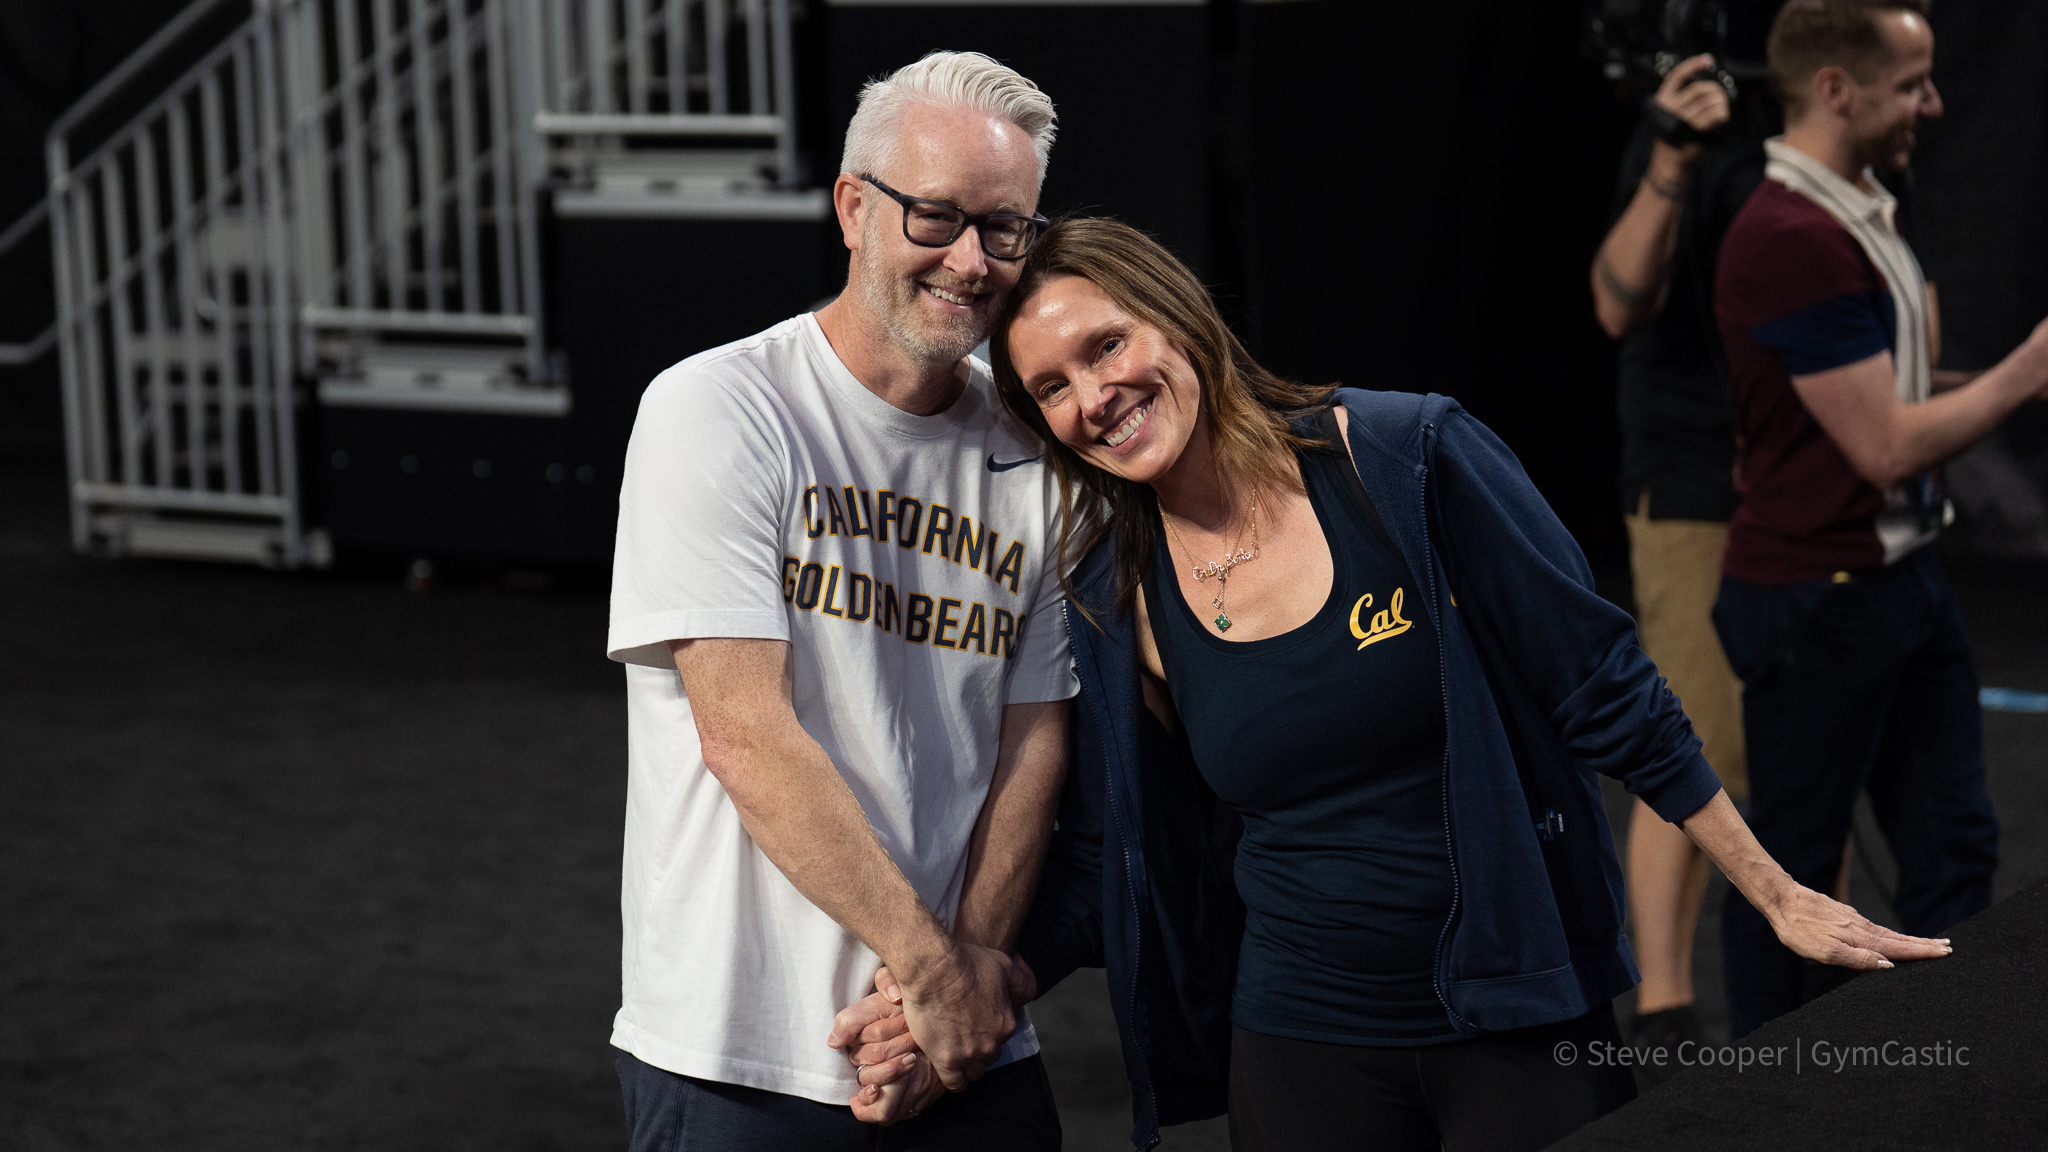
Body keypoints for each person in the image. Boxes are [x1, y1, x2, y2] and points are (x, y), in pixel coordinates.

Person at [841, 217, 1951, 1150]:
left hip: (1516, 1013)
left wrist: (1777, 894)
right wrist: (964, 983)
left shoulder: (1403, 457)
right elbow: (1105, 852)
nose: (1096, 395)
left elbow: (1604, 686)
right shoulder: (1114, 595)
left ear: (1177, 318)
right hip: (1299, 1042)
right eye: (1052, 388)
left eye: (1107, 344)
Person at [603, 51, 1078, 1149]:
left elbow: (1034, 739)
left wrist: (955, 992)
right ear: (854, 208)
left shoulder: (1034, 450)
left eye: (1005, 228)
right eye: (936, 217)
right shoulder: (719, 408)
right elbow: (745, 734)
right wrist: (934, 978)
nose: (972, 261)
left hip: (963, 1043)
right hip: (740, 1048)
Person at [1711, 0, 2048, 1040]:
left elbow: (1882, 395)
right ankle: (1762, 1084)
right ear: (1834, 89)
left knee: (1954, 848)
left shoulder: (1861, 206)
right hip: (1815, 599)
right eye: (1910, 84)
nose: (1932, 105)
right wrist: (2027, 368)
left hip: (1902, 580)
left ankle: (1944, 1070)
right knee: (1795, 872)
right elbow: (1886, 446)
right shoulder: (1787, 236)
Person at [1589, 52, 1768, 1059]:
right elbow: (1615, 303)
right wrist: (1668, 157)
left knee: (1804, 747)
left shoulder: (1852, 159)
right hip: (1694, 483)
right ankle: (1661, 1011)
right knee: (1690, 739)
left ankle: (1810, 987)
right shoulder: (1679, 142)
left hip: (1802, 485)